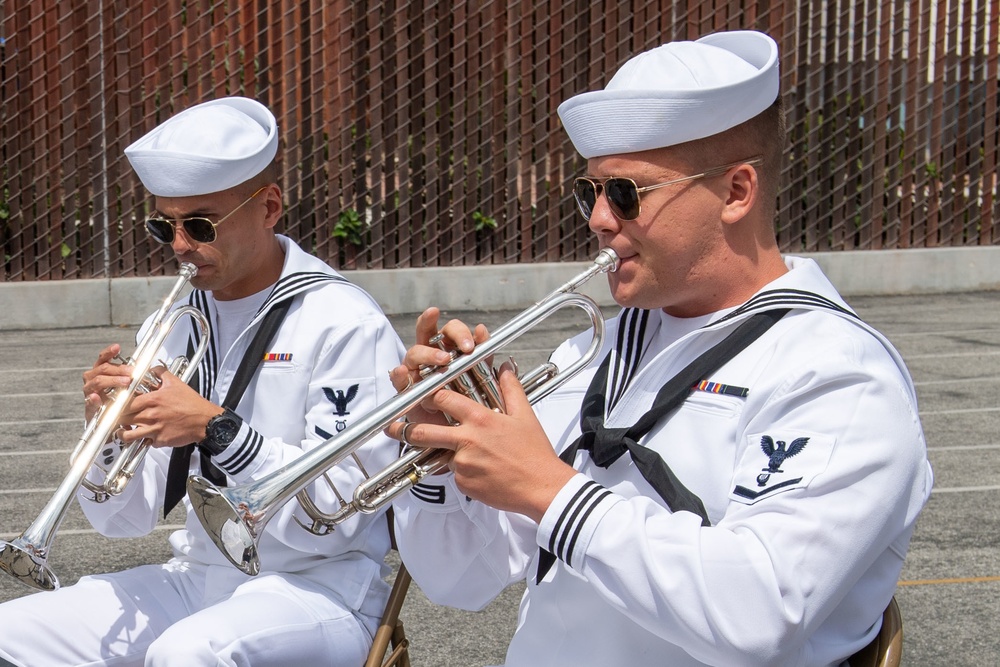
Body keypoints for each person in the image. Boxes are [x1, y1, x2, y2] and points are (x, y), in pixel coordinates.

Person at [386, 30, 934, 666]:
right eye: (589, 191)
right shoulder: (596, 349)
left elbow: (758, 610)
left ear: (736, 192)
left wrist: (551, 490)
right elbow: (458, 579)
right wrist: (440, 459)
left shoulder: (836, 373)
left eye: (627, 192)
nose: (597, 219)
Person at [0, 97, 406, 666]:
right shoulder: (170, 325)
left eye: (199, 223)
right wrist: (108, 433)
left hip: (321, 590)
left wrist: (218, 431)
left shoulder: (341, 321)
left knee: (186, 654)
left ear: (268, 207)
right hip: (198, 576)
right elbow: (123, 522)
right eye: (163, 225)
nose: (180, 245)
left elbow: (340, 521)